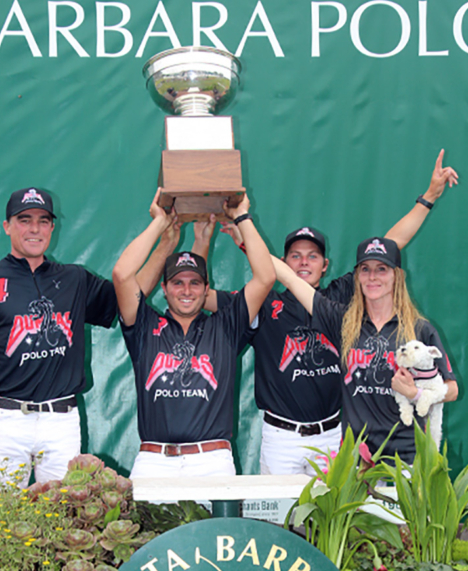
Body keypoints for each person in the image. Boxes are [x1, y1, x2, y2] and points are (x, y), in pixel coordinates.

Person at [193, 150, 458, 474]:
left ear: (325, 265)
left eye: (313, 256)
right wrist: (215, 241)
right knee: (280, 523)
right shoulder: (263, 301)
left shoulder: (340, 301)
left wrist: (428, 197)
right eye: (295, 255)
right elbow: (197, 297)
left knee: (333, 522)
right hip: (280, 435)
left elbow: (390, 245)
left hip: (334, 434)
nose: (303, 262)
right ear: (284, 261)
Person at [0, 186, 167, 486]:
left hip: (60, 420)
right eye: (24, 219)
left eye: (43, 220)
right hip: (6, 420)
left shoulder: (75, 279)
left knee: (65, 519)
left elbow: (131, 294)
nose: (34, 228)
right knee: (3, 518)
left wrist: (167, 242)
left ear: (53, 227)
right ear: (7, 226)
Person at [113, 189, 275, 478]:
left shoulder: (225, 326)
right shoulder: (145, 326)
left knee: (218, 527)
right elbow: (122, 275)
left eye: (195, 283)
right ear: (164, 288)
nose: (186, 291)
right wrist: (159, 224)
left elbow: (265, 278)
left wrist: (243, 217)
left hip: (212, 460)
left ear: (206, 288)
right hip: (154, 461)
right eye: (177, 283)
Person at [270, 234, 458, 463]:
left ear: (397, 275)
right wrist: (243, 223)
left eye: (382, 269)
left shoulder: (419, 330)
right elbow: (290, 279)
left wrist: (415, 394)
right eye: (365, 269)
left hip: (409, 455)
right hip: (359, 458)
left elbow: (452, 389)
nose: (372, 277)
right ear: (357, 276)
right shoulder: (342, 320)